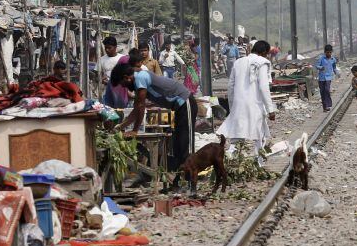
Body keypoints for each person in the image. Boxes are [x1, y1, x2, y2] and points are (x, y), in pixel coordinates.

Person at [112, 57, 198, 188]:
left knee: (185, 145)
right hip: (178, 109)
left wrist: (134, 131)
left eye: (123, 85)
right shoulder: (138, 80)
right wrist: (121, 127)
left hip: (185, 103)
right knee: (178, 146)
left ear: (126, 77)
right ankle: (179, 182)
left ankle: (191, 182)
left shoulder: (140, 78)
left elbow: (140, 107)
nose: (124, 88)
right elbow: (136, 109)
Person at [217, 40, 276, 163]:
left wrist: (232, 106)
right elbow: (264, 87)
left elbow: (230, 86)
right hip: (255, 105)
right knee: (258, 136)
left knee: (237, 136)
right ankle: (258, 163)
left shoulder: (238, 62)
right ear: (264, 52)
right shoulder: (263, 62)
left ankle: (231, 163)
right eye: (267, 54)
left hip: (238, 104)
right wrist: (271, 110)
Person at [315, 44, 339, 112]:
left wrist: (336, 73)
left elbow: (334, 67)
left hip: (328, 78)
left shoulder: (333, 59)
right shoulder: (321, 58)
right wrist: (321, 67)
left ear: (331, 52)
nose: (329, 53)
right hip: (321, 78)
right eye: (327, 52)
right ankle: (325, 107)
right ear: (325, 52)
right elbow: (317, 66)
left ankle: (328, 104)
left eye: (330, 52)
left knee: (327, 90)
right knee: (322, 92)